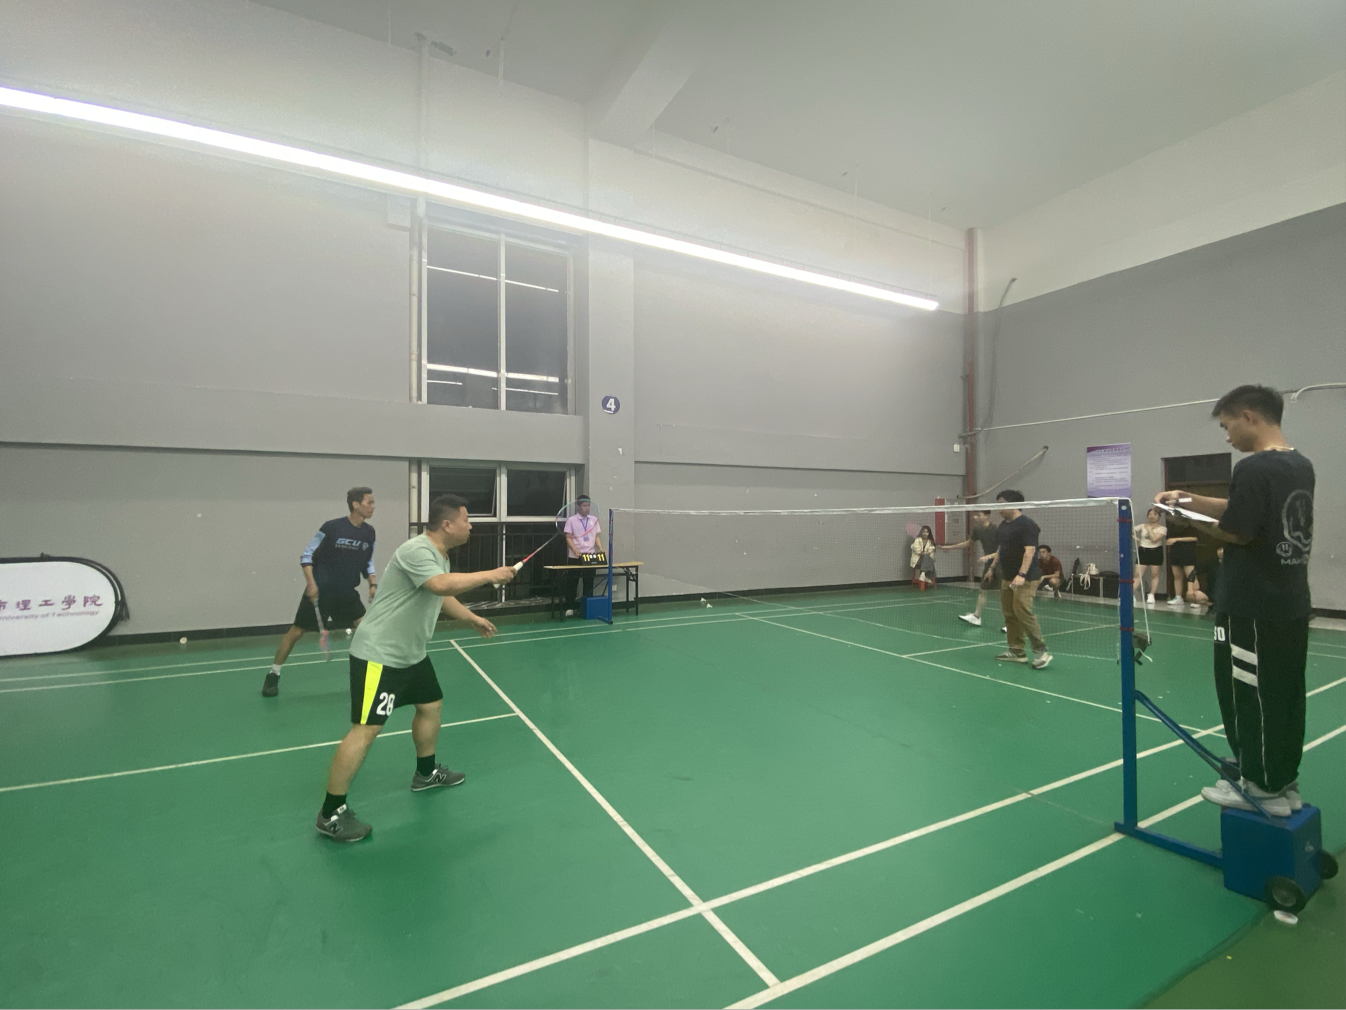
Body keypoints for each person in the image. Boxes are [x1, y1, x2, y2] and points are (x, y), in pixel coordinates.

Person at [315, 493, 517, 842]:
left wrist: (472, 619)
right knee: (366, 729)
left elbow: (441, 594)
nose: (470, 526)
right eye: (466, 520)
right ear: (447, 524)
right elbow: (438, 585)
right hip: (380, 655)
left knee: (431, 704)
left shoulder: (439, 556)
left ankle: (425, 774)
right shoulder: (417, 550)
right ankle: (330, 812)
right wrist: (491, 575)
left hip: (411, 654)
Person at [1155, 384, 1313, 818]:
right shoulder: (1297, 465)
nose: (1227, 437)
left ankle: (1259, 788)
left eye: (1227, 427)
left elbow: (1237, 531)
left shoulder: (1253, 467)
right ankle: (1281, 781)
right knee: (1284, 695)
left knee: (1248, 695)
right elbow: (1246, 508)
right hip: (1290, 603)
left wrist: (1184, 517)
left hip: (1251, 606)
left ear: (1248, 417)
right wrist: (1190, 498)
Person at [263, 487, 377, 698]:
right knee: (296, 633)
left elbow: (368, 560)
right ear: (355, 505)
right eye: (369, 502)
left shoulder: (369, 533)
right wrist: (311, 583)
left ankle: (367, 677)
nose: (373, 506)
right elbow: (306, 555)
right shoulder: (331, 527)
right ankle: (273, 674)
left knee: (367, 632)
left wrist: (372, 582)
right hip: (321, 591)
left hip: (346, 594)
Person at [991, 490, 1051, 669]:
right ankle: (1016, 651)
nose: (998, 509)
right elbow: (1001, 548)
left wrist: (1021, 574)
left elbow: (1030, 551)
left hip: (1026, 578)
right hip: (1007, 577)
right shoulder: (1003, 525)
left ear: (1014, 504)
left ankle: (1041, 652)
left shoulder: (1027, 525)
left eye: (1002, 504)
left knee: (1022, 611)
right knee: (1009, 614)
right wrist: (992, 567)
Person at [941, 510, 998, 626]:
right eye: (975, 515)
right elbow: (968, 543)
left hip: (1001, 562)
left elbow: (1003, 549)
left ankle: (1012, 623)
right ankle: (976, 616)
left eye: (979, 515)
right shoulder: (977, 529)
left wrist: (990, 556)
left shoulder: (996, 529)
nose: (976, 517)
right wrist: (950, 547)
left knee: (1004, 594)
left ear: (987, 515)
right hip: (988, 563)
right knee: (983, 590)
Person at [561, 496, 602, 617]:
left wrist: (600, 547)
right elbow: (568, 537)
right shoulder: (571, 520)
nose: (587, 508)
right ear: (578, 506)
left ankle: (586, 607)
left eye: (588, 505)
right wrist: (574, 549)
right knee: (572, 582)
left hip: (590, 556)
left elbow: (596, 536)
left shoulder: (594, 520)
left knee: (589, 582)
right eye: (584, 506)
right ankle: (570, 607)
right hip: (575, 557)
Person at [1134, 506, 1167, 605]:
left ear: (1159, 516)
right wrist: (1137, 539)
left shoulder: (1162, 529)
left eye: (1155, 514)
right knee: (1137, 574)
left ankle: (1152, 595)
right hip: (1143, 551)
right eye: (1150, 514)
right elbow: (1130, 531)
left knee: (1155, 574)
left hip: (1156, 551)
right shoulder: (1142, 526)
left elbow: (1154, 539)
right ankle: (1130, 593)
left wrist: (1149, 529)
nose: (1152, 516)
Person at [1165, 516, 1199, 607]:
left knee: (1191, 575)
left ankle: (1196, 598)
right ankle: (1178, 597)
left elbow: (1195, 538)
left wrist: (1177, 539)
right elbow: (1168, 539)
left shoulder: (1192, 525)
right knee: (1177, 576)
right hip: (1175, 551)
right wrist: (1169, 541)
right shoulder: (1172, 526)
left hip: (1188, 551)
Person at [909, 525, 938, 590]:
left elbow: (931, 551)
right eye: (924, 532)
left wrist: (925, 553)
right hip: (918, 560)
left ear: (929, 533)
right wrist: (926, 553)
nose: (925, 533)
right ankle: (925, 576)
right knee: (927, 557)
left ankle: (923, 574)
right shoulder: (917, 540)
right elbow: (918, 551)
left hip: (926, 561)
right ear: (921, 532)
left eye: (927, 532)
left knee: (927, 558)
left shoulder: (930, 541)